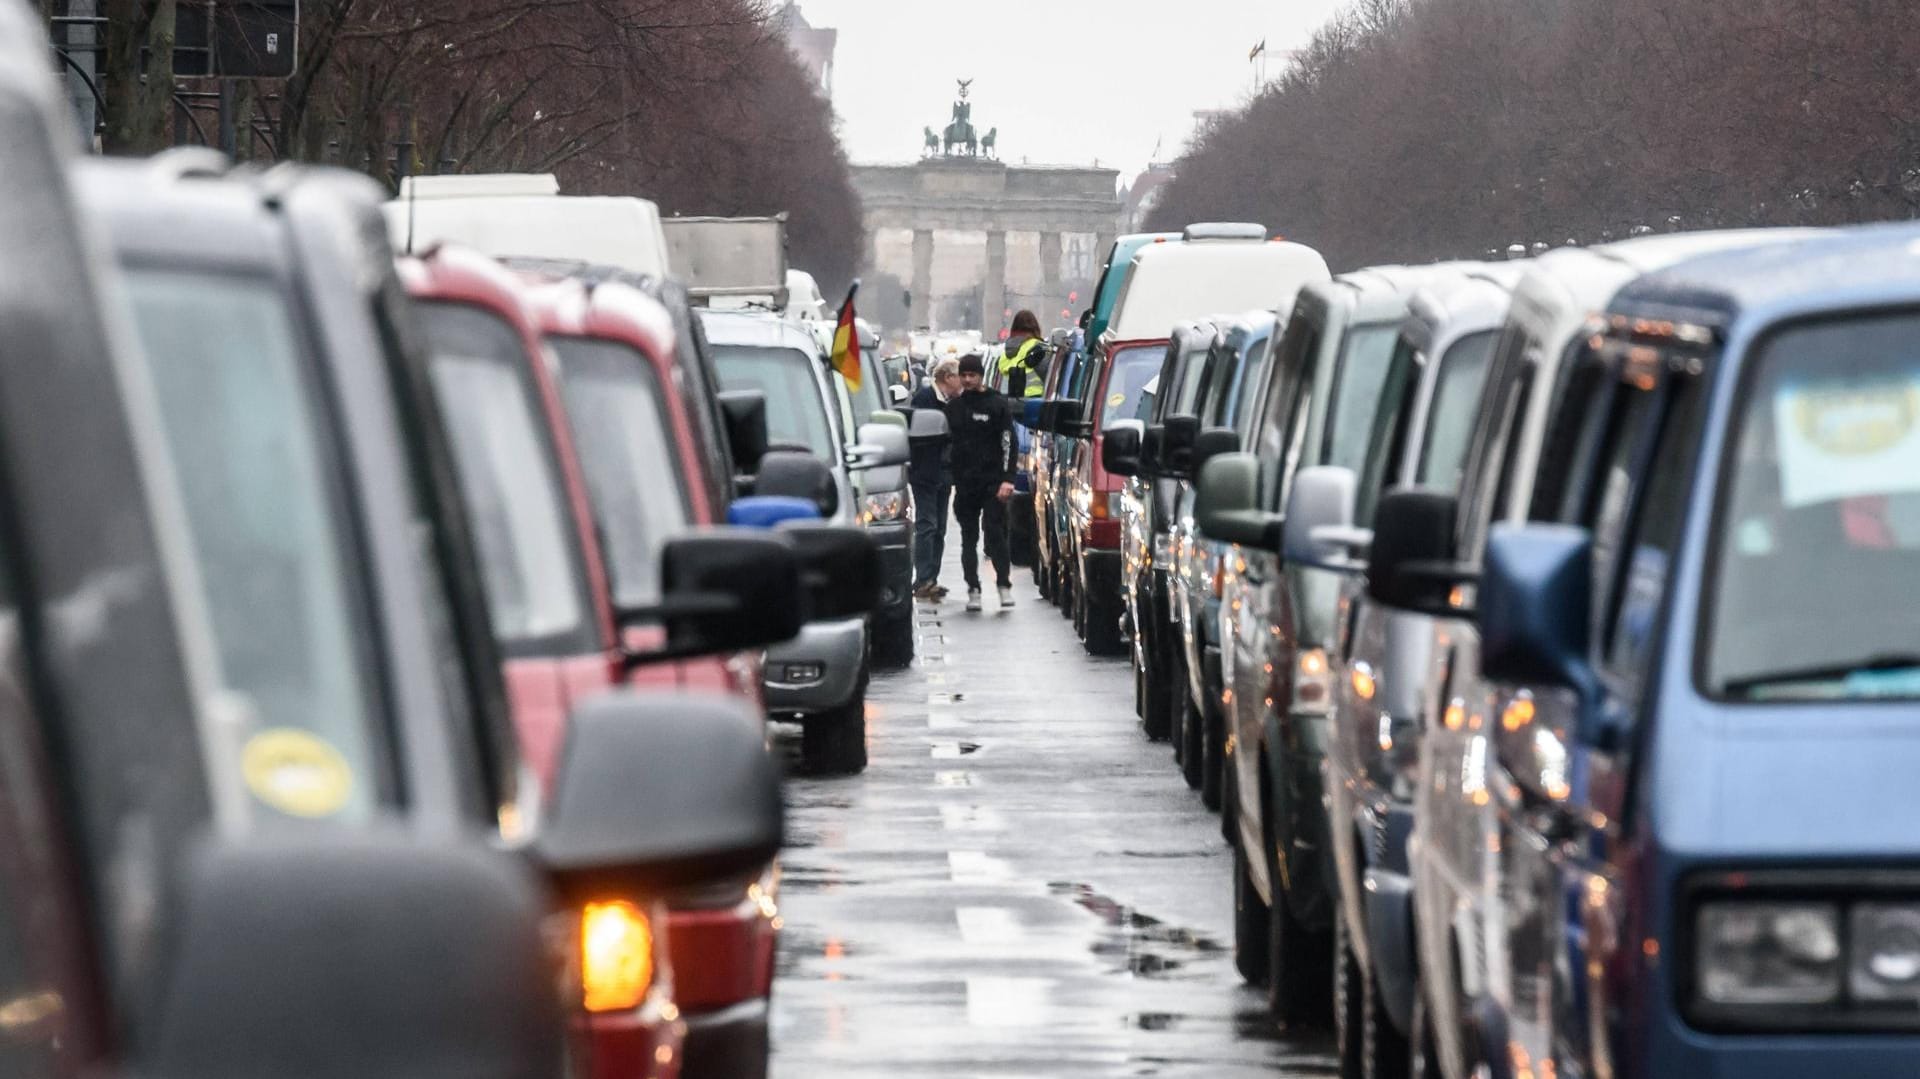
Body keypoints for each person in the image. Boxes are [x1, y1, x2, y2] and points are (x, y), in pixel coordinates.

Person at [946, 353, 1017, 611]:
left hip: (993, 482)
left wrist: (1008, 478)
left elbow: (1008, 441)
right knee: (968, 538)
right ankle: (973, 588)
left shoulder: (997, 405)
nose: (967, 380)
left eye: (971, 375)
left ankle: (1004, 585)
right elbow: (947, 445)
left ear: (980, 376)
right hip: (966, 485)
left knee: (996, 534)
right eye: (963, 375)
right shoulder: (954, 408)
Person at [909, 358, 962, 600]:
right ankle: (922, 579)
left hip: (945, 472)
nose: (961, 382)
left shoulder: (954, 402)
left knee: (940, 527)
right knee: (927, 525)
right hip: (926, 472)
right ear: (948, 378)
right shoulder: (925, 398)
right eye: (958, 377)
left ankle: (932, 577)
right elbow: (920, 435)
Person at [997, 309, 1049, 399]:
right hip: (1035, 400)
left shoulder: (1006, 351)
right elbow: (1048, 374)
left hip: (1010, 400)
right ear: (1035, 327)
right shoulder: (1037, 347)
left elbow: (1002, 368)